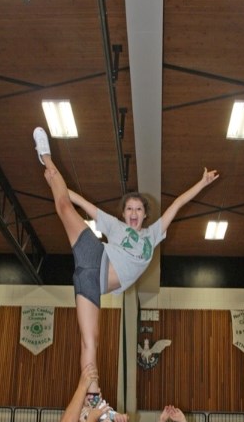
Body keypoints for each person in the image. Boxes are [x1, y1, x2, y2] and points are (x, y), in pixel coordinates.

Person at [33, 125, 219, 400]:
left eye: (139, 209)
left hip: (89, 283)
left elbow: (177, 204)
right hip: (93, 254)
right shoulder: (115, 226)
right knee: (63, 206)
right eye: (129, 208)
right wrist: (56, 184)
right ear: (124, 213)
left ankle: (92, 398)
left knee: (90, 340)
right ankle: (46, 156)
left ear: (145, 215)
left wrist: (202, 183)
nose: (133, 212)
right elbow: (82, 202)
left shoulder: (153, 234)